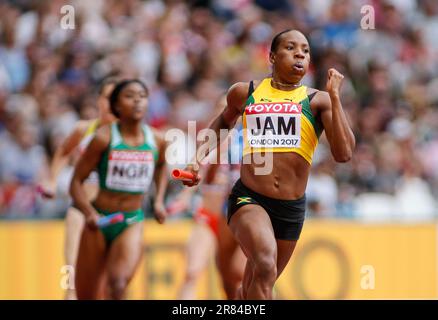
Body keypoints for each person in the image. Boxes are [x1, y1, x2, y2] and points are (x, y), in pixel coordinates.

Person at [183, 29, 355, 300]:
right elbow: (222, 122)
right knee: (264, 263)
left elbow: (344, 153)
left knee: (254, 284)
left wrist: (335, 98)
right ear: (272, 56)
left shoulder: (318, 100)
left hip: (290, 208)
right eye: (291, 47)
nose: (300, 53)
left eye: (306, 50)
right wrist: (196, 160)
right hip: (249, 199)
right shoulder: (245, 92)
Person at [70, 79, 168, 300]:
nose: (137, 101)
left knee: (118, 284)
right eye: (130, 96)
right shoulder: (104, 138)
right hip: (100, 221)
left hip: (131, 220)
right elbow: (75, 182)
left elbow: (162, 167)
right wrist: (89, 213)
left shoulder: (158, 140)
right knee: (88, 295)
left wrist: (159, 201)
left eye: (142, 96)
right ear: (116, 105)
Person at [41, 77, 117, 299]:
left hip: (112, 210)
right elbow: (63, 152)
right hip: (82, 207)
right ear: (99, 101)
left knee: (112, 281)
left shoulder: (130, 135)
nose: (111, 104)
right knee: (72, 271)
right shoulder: (84, 129)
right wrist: (52, 181)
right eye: (106, 98)